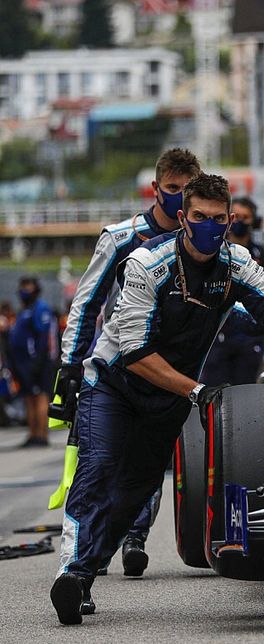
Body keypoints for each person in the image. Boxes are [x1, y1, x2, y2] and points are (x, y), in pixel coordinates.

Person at [49, 174, 264, 625]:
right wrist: (196, 390)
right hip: (114, 384)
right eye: (200, 217)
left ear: (231, 221)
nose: (209, 226)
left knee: (134, 492)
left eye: (218, 219)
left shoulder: (239, 264)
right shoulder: (146, 263)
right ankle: (71, 573)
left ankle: (85, 572)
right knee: (97, 469)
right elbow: (135, 352)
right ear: (182, 218)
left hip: (169, 396)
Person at [52, 147, 202, 576]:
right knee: (100, 463)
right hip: (117, 369)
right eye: (172, 188)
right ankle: (81, 556)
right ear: (156, 188)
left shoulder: (204, 243)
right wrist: (69, 366)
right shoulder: (120, 238)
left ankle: (132, 536)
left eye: (187, 189)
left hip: (169, 374)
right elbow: (86, 304)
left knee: (145, 467)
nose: (179, 195)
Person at [201, 196, 264, 386]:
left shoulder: (263, 255)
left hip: (253, 339)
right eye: (236, 217)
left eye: (245, 217)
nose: (240, 222)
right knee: (214, 394)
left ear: (254, 221)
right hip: (216, 339)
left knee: (249, 394)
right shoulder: (212, 252)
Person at [9, 277, 56, 447]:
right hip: (23, 363)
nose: (24, 291)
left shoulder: (40, 308)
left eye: (27, 287)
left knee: (40, 396)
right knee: (28, 397)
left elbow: (43, 337)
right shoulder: (24, 310)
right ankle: (33, 433)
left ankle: (42, 435)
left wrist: (38, 362)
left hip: (37, 361)